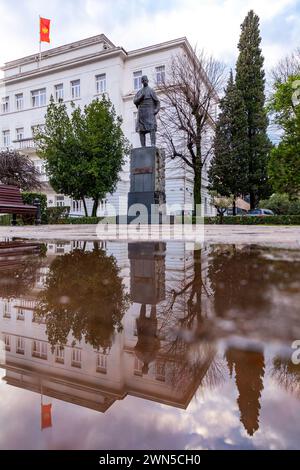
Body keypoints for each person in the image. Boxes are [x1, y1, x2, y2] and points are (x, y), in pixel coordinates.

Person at [134, 75, 160, 147]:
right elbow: (135, 101)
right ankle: (143, 146)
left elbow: (157, 102)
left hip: (150, 112)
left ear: (147, 81)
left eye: (146, 80)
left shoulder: (151, 91)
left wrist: (156, 110)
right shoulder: (139, 92)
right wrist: (140, 97)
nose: (145, 81)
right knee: (141, 130)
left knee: (152, 128)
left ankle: (153, 144)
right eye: (143, 80)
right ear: (141, 82)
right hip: (141, 113)